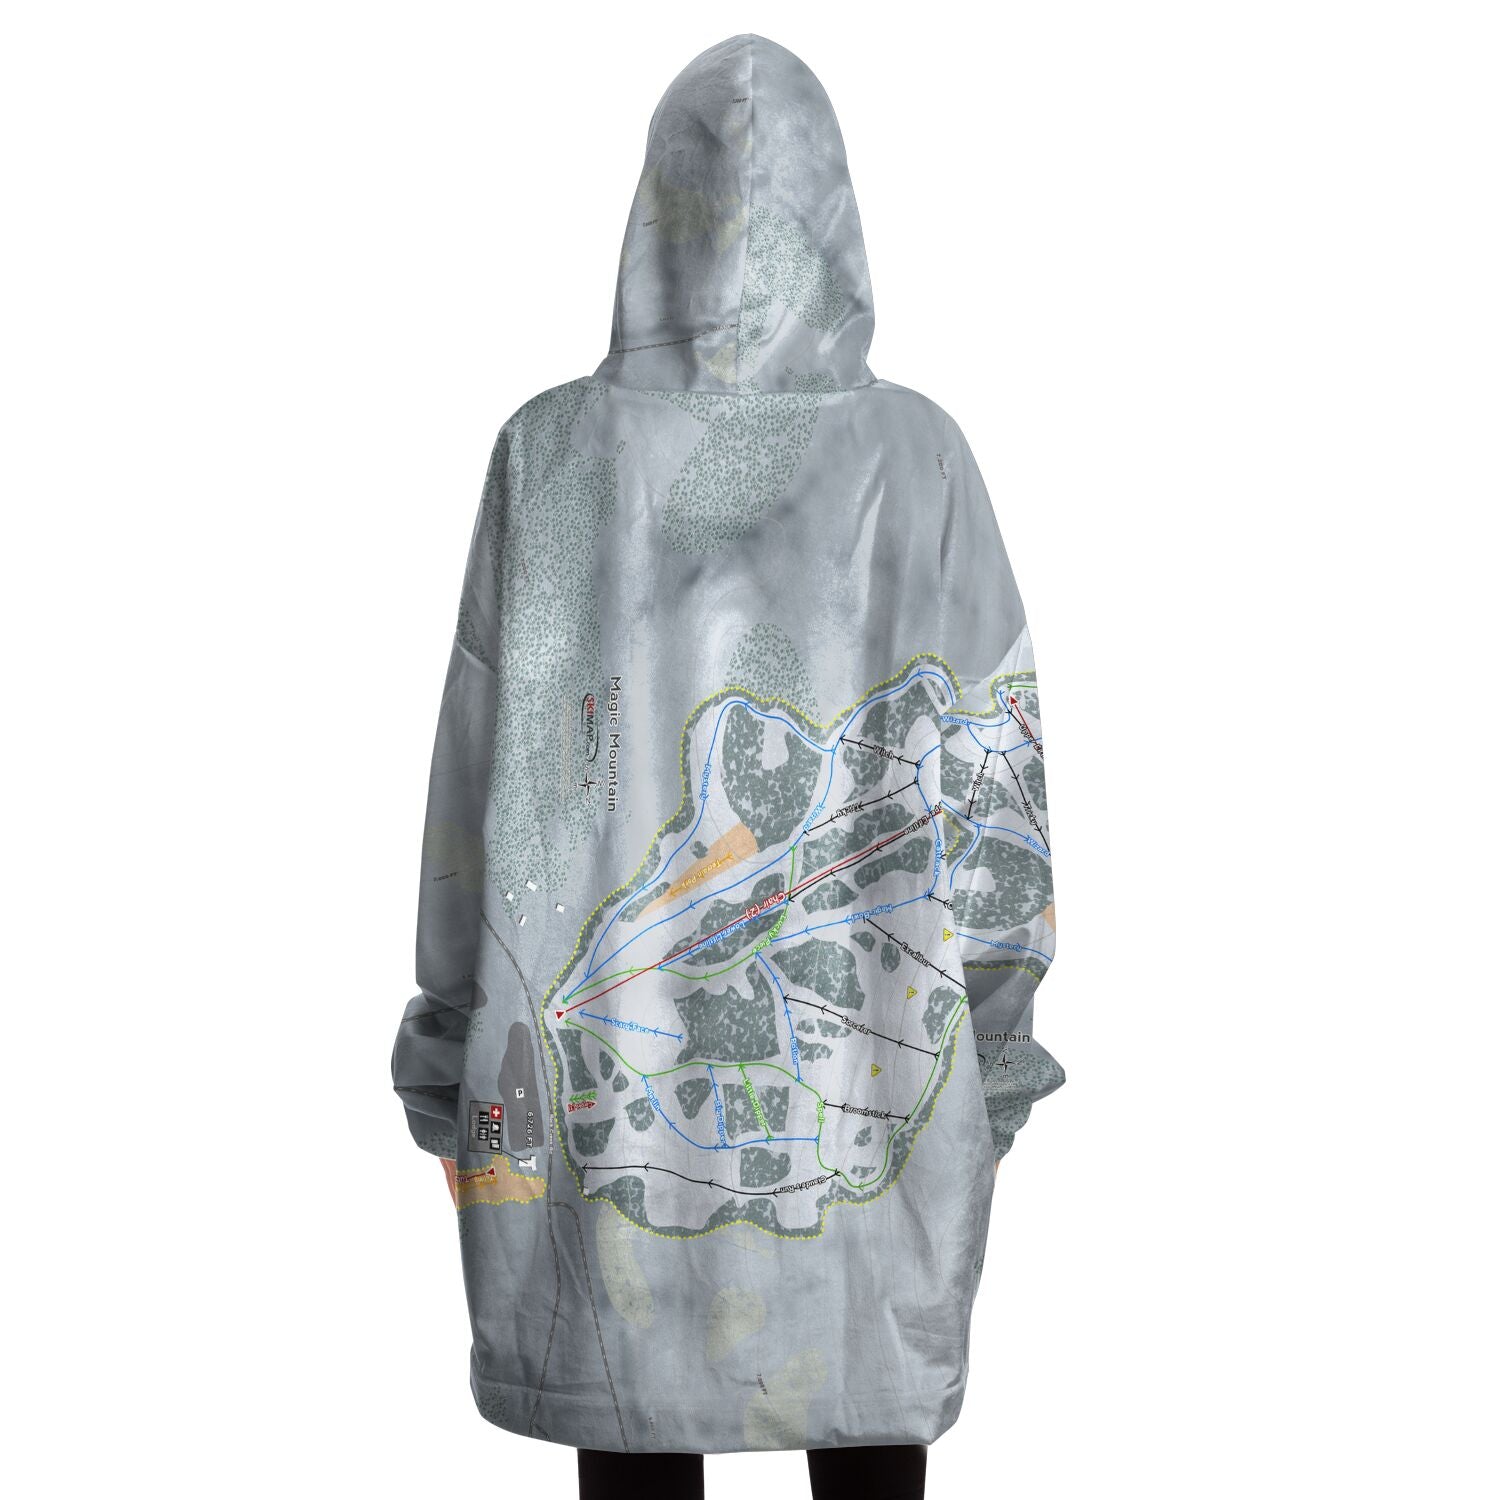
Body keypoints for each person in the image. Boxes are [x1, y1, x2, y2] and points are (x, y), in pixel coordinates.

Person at [392, 34, 1064, 1498]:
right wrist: (993, 1070)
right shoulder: (920, 460)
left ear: (652, 208)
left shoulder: (552, 454)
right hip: (867, 1098)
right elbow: (996, 794)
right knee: (867, 1433)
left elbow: (473, 790)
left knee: (626, 1420)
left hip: (598, 1115)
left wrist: (453, 1064)